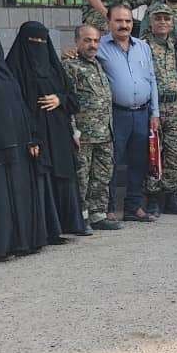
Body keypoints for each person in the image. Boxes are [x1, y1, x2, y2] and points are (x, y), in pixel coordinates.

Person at [7, 21, 89, 240]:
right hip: (35, 135)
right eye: (33, 41)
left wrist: (59, 99)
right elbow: (15, 107)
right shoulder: (14, 70)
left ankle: (68, 224)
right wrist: (30, 137)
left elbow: (74, 100)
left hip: (59, 133)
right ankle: (47, 231)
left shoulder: (55, 69)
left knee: (63, 177)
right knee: (42, 181)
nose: (38, 45)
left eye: (42, 41)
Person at [0, 12, 48, 261]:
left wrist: (30, 137)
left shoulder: (3, 72)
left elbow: (19, 107)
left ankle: (14, 243)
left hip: (13, 147)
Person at [94, 5, 160, 222]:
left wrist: (155, 113)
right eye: (119, 21)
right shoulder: (99, 46)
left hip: (142, 114)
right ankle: (109, 208)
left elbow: (152, 79)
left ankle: (134, 207)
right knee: (111, 161)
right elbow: (80, 55)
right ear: (109, 22)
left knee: (139, 162)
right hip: (116, 114)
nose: (124, 25)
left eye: (128, 21)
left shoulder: (143, 46)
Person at [63, 24, 119, 230]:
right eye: (87, 40)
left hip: (105, 132)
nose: (92, 45)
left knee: (102, 176)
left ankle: (98, 215)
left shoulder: (99, 64)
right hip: (84, 134)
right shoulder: (70, 66)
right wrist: (73, 131)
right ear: (77, 41)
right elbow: (68, 101)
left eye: (96, 40)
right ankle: (81, 218)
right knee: (82, 178)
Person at [142, 4, 177, 217]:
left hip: (174, 105)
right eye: (158, 18)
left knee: (175, 151)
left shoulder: (175, 44)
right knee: (153, 152)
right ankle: (153, 198)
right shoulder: (143, 45)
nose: (162, 22)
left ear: (172, 23)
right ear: (151, 22)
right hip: (152, 107)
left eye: (166, 18)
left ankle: (172, 196)